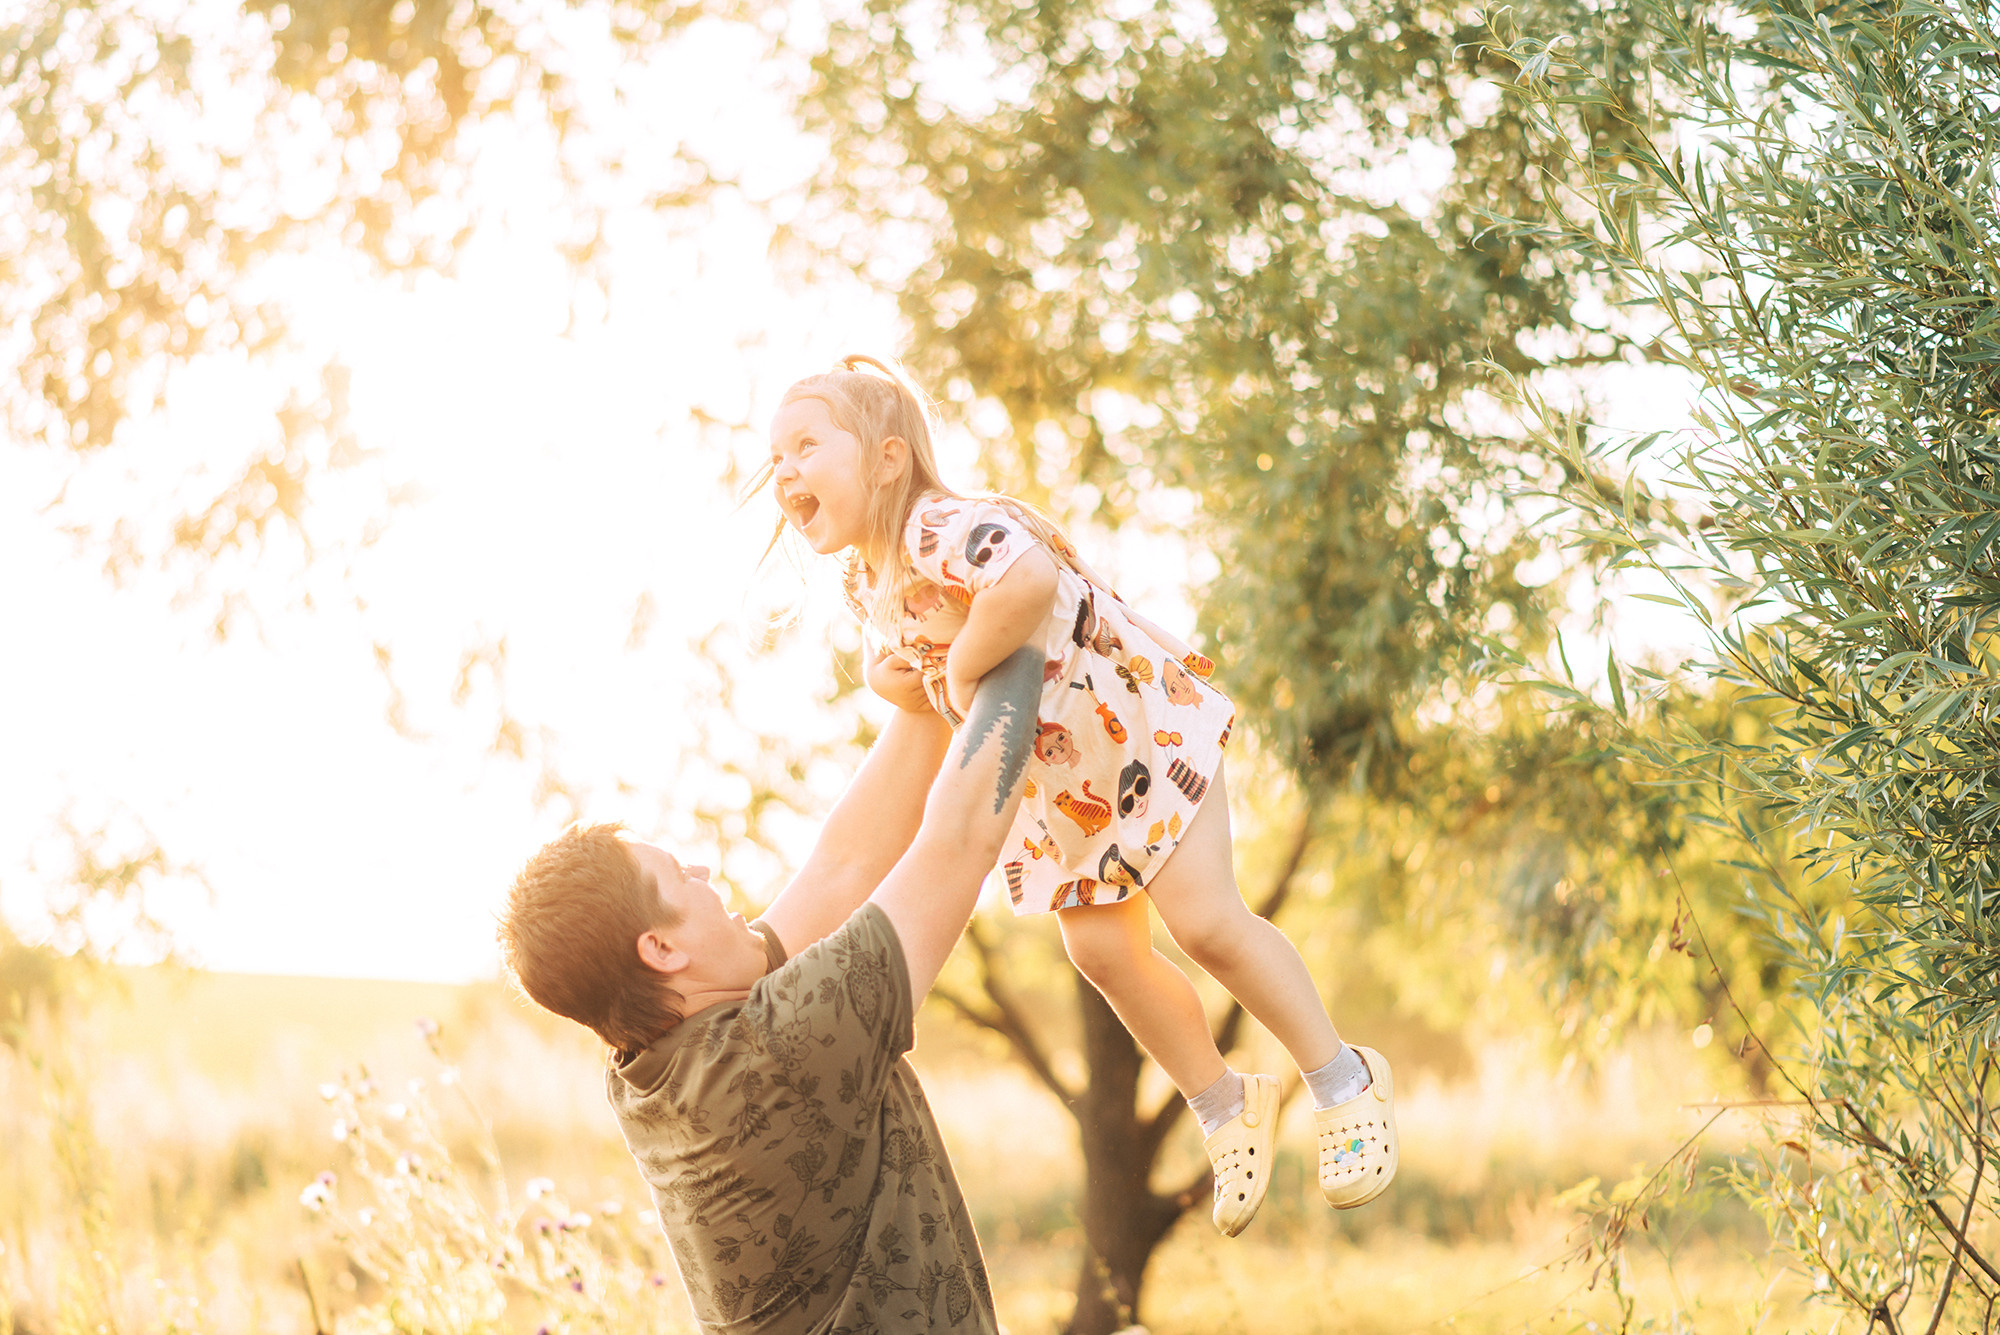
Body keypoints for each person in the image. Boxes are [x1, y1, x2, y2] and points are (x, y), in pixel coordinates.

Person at [761, 354, 1397, 1235]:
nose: (784, 469)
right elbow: (899, 665)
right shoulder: (870, 581)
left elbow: (1024, 583)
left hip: (1139, 735)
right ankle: (1224, 1103)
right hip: (1063, 796)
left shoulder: (940, 525)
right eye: (776, 456)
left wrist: (965, 661)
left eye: (805, 444)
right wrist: (904, 670)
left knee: (1206, 923)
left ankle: (1341, 1077)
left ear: (888, 459)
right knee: (1101, 954)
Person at [500, 647, 1043, 1334]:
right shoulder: (777, 1051)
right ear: (662, 949)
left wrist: (921, 695)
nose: (701, 868)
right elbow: (961, 838)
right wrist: (1022, 636)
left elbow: (842, 867)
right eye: (679, 876)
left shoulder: (648, 1068)